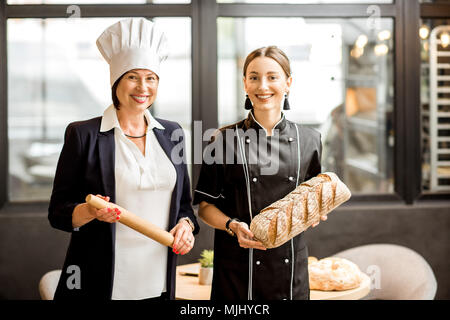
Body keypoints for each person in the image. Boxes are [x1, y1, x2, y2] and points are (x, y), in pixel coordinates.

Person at [48, 18, 199, 300]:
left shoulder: (173, 133)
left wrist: (185, 226)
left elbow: (184, 208)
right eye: (132, 76)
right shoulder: (84, 134)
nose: (143, 87)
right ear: (116, 82)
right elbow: (58, 212)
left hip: (158, 280)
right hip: (100, 281)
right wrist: (90, 211)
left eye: (151, 78)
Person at [194, 46, 325, 300]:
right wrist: (232, 226)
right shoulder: (222, 140)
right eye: (254, 77)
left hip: (290, 276)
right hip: (237, 273)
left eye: (272, 77)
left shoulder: (310, 140)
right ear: (245, 84)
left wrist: (316, 212)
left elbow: (315, 199)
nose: (262, 86)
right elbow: (205, 207)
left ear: (288, 82)